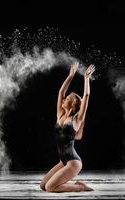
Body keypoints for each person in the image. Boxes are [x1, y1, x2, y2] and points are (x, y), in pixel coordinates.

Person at [40, 62, 95, 192]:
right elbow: (61, 92)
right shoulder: (60, 115)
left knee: (50, 188)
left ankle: (80, 186)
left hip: (73, 163)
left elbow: (86, 96)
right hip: (63, 162)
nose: (64, 99)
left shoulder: (77, 119)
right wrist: (71, 75)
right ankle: (75, 184)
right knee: (43, 186)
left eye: (67, 99)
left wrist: (86, 79)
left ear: (73, 104)